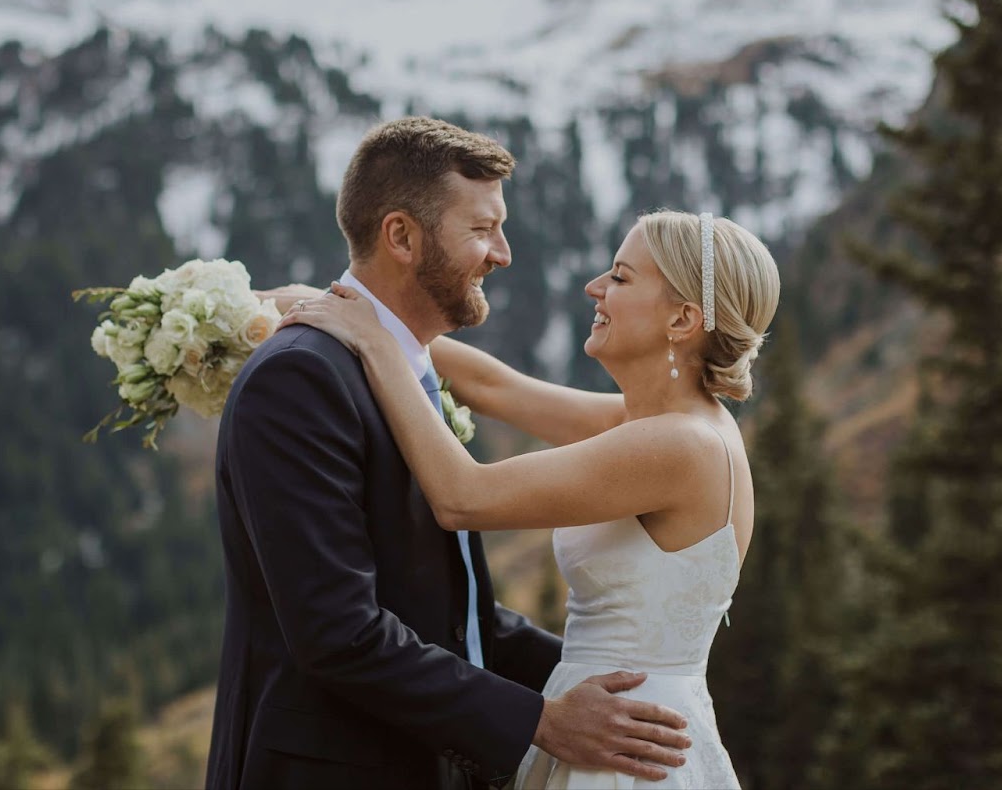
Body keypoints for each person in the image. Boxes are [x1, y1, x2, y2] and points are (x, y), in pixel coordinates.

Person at [205, 117, 692, 790]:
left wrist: (632, 688)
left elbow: (459, 616)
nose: (504, 253)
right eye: (482, 229)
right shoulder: (302, 377)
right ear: (401, 236)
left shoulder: (404, 371)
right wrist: (538, 722)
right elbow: (338, 633)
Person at [283, 207, 780, 788]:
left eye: (620, 277)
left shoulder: (679, 446)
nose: (594, 287)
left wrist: (374, 343)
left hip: (624, 750)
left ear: (683, 319)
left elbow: (461, 497)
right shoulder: (657, 424)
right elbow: (493, 385)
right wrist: (336, 305)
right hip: (611, 722)